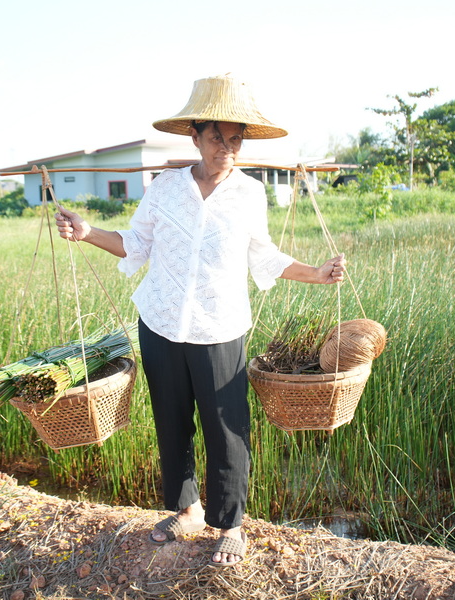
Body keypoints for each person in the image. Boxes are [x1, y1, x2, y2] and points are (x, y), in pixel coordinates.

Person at [55, 74, 346, 566]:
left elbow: (265, 258)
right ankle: (187, 510)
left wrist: (316, 273)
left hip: (219, 326)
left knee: (226, 427)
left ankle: (230, 523)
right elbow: (135, 244)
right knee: (171, 421)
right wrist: (86, 232)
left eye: (235, 140)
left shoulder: (250, 195)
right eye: (217, 138)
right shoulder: (166, 188)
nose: (226, 148)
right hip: (162, 321)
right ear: (195, 136)